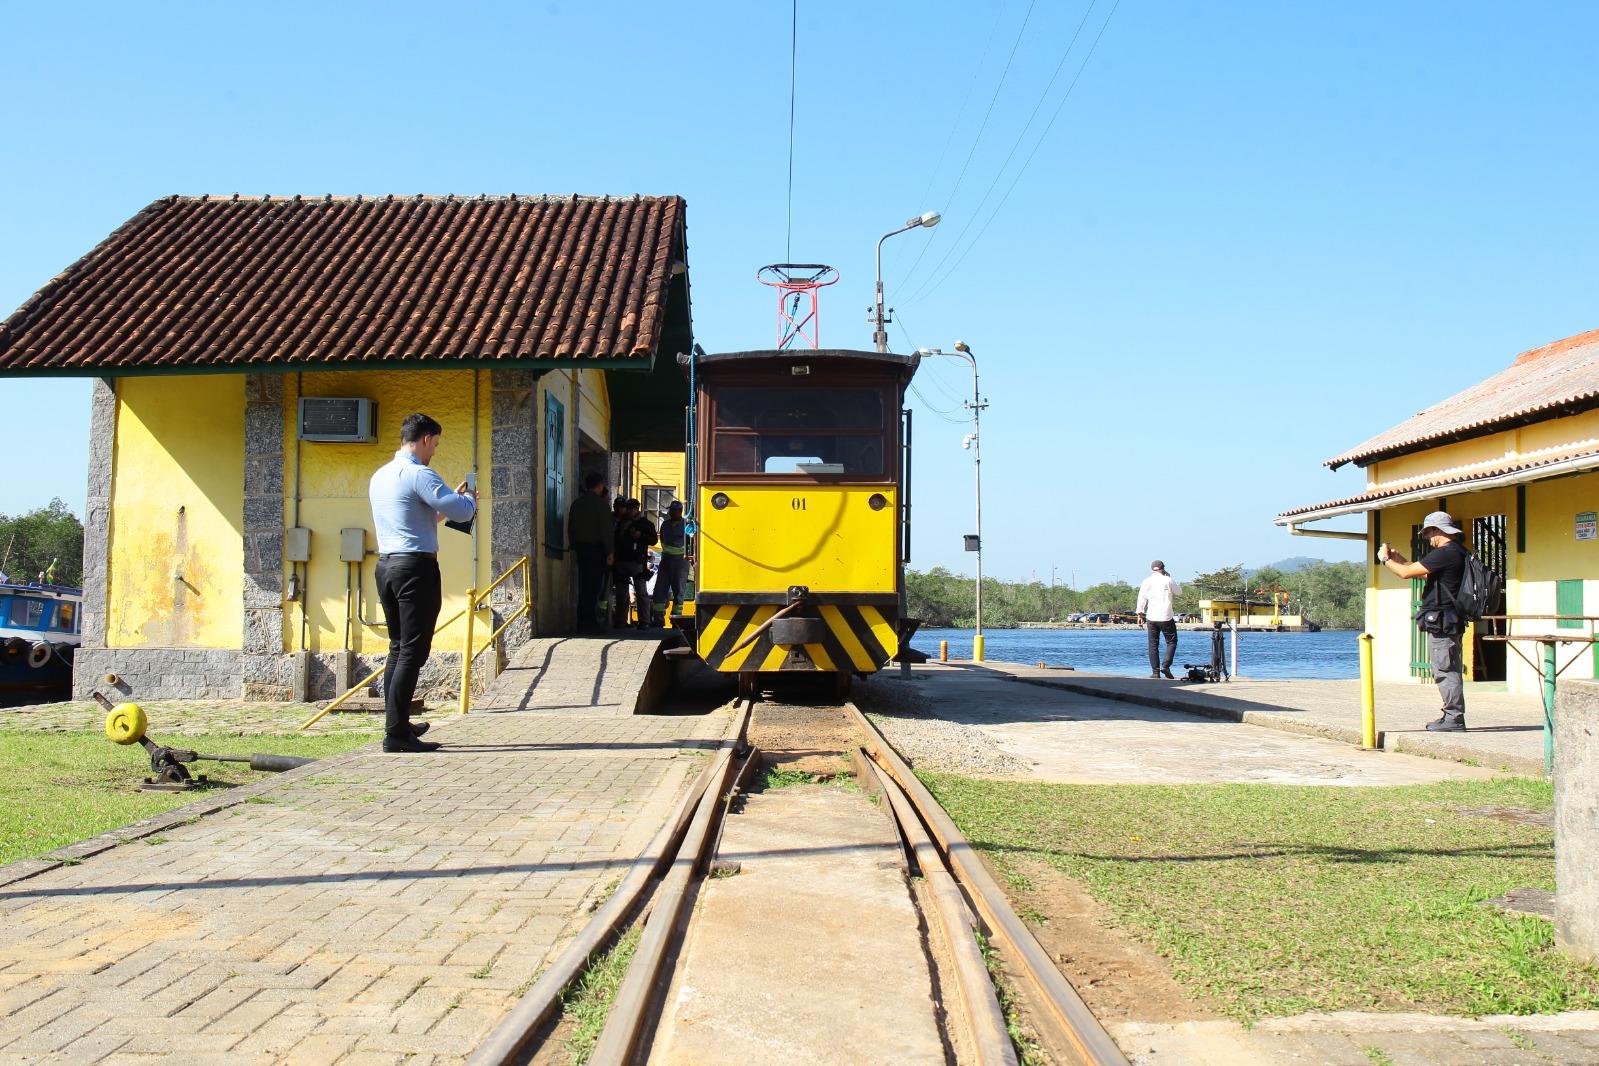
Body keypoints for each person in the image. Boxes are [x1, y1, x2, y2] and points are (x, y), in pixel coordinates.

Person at [369, 413, 477, 753]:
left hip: (387, 565)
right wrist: (469, 499)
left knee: (398, 647)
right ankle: (395, 734)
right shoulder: (420, 474)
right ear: (427, 439)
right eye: (436, 444)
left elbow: (421, 515)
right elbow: (460, 512)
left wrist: (449, 505)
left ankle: (397, 722)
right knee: (413, 651)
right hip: (415, 568)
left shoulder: (382, 475)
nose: (434, 452)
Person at [1379, 511, 1469, 731]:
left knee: (1445, 669)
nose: (1428, 538)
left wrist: (1386, 559)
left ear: (1438, 531)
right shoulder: (1458, 552)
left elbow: (1406, 574)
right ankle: (1451, 716)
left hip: (1442, 619)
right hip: (1450, 618)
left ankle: (1453, 719)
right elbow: (1424, 573)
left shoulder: (1445, 552)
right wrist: (1400, 561)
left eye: (1429, 533)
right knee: (1448, 667)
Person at [567, 472, 613, 634]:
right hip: (596, 550)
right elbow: (606, 531)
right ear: (599, 486)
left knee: (584, 585)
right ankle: (591, 623)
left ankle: (581, 621)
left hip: (581, 549)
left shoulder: (576, 504)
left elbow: (570, 527)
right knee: (594, 587)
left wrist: (573, 546)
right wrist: (610, 551)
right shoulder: (601, 506)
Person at [613, 499, 658, 629]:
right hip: (622, 561)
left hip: (637, 562)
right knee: (622, 593)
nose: (628, 511)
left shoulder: (645, 524)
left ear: (637, 509)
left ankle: (644, 621)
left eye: (631, 508)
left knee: (641, 592)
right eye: (628, 508)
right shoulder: (621, 522)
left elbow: (654, 540)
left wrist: (640, 535)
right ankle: (621, 621)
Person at [1136, 560, 1181, 679]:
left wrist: (1140, 615)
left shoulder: (1147, 581)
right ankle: (1165, 666)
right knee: (1171, 642)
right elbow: (1179, 592)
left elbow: (1141, 599)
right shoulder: (1168, 580)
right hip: (1166, 617)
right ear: (1163, 568)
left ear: (1152, 569)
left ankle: (1155, 672)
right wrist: (1169, 577)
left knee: (1153, 645)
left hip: (1151, 617)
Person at [652, 500, 689, 626]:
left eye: (673, 510)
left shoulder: (686, 525)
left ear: (680, 511)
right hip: (666, 561)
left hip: (680, 562)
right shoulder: (665, 525)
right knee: (659, 590)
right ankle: (658, 619)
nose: (671, 513)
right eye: (670, 510)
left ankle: (676, 621)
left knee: (679, 592)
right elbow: (662, 539)